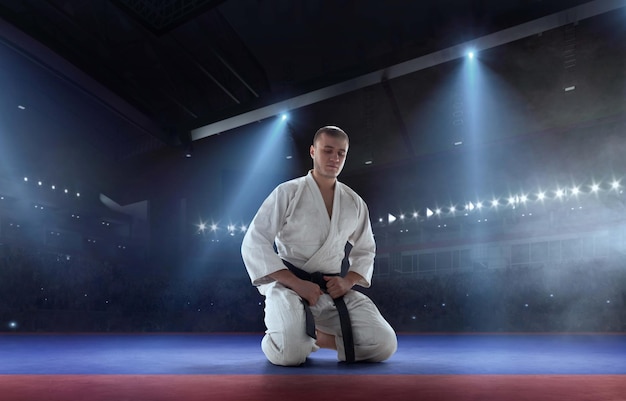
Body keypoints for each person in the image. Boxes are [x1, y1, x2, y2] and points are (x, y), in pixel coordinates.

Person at [241, 125, 397, 366]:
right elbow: (254, 242)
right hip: (289, 287)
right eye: (327, 151)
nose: (335, 158)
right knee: (290, 355)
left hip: (331, 290)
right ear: (313, 151)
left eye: (341, 153)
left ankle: (317, 338)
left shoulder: (353, 202)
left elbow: (366, 248)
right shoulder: (288, 192)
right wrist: (297, 284)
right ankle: (282, 339)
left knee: (384, 344)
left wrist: (347, 281)